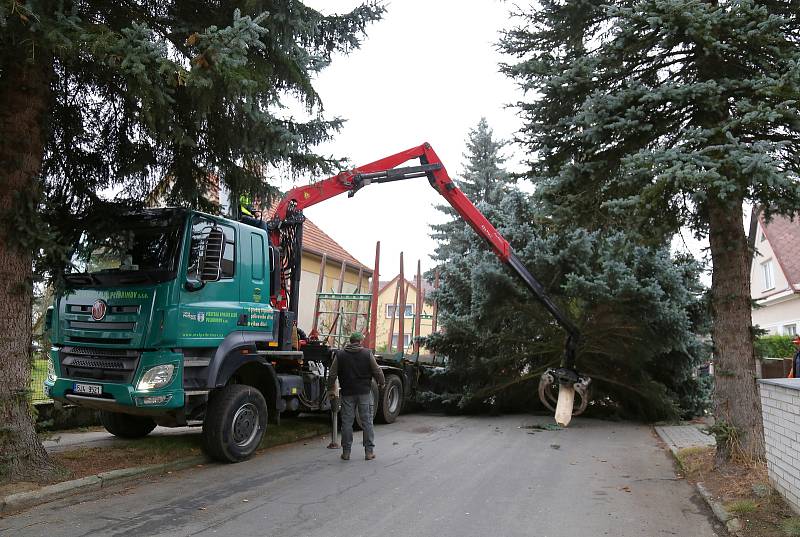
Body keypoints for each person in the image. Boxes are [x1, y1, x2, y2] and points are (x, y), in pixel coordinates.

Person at [327, 332, 385, 461]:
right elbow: (377, 370)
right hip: (364, 392)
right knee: (367, 421)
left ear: (350, 341)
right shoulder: (367, 353)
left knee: (347, 423)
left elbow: (332, 374)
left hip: (348, 393)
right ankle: (369, 452)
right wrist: (381, 382)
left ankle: (346, 452)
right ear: (360, 342)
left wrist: (329, 387)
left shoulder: (340, 355)